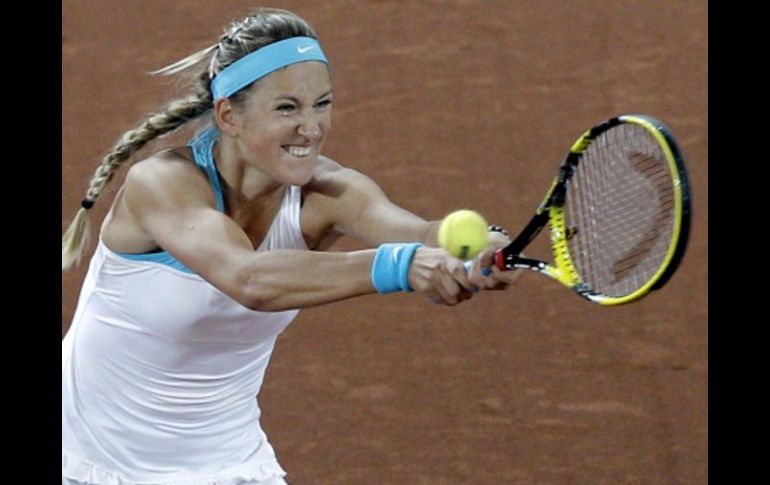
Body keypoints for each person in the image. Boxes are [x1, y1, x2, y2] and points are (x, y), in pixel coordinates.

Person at [61, 7, 518, 485]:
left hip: (227, 466)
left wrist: (481, 249)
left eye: (322, 104)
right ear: (229, 116)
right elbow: (248, 278)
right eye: (287, 108)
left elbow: (422, 235)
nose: (312, 127)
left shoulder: (330, 192)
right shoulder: (161, 183)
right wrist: (401, 267)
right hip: (83, 459)